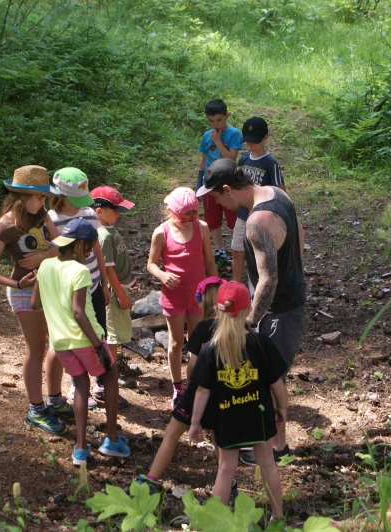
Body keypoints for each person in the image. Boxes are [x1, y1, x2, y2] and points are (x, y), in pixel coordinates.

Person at [196, 159, 306, 466]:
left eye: (217, 197)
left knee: (270, 378)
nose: (219, 204)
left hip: (278, 311)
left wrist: (250, 323)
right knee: (271, 376)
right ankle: (272, 445)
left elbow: (268, 279)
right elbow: (300, 233)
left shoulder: (258, 222)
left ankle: (276, 449)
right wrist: (293, 269)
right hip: (289, 301)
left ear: (228, 189)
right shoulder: (277, 193)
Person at [0, 165, 69, 436]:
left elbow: (63, 244)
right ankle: (36, 410)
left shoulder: (40, 215)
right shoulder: (5, 226)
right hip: (24, 292)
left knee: (59, 343)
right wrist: (17, 284)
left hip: (50, 286)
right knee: (36, 349)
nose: (43, 202)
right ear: (23, 196)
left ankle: (55, 400)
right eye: (39, 197)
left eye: (44, 197)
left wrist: (45, 255)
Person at [31, 218, 130, 465]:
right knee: (110, 375)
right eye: (89, 247)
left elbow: (34, 303)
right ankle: (112, 440)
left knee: (80, 385)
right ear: (79, 245)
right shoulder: (79, 271)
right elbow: (78, 312)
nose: (90, 253)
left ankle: (80, 448)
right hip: (85, 338)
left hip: (61, 342)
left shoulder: (45, 266)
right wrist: (98, 345)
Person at [188, 282, 288, 519]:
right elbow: (277, 384)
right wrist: (282, 408)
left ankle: (217, 522)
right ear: (248, 310)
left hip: (226, 418)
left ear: (217, 310)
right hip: (258, 416)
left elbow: (202, 391)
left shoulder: (210, 349)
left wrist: (195, 423)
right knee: (267, 465)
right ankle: (278, 518)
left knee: (225, 469)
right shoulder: (262, 344)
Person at [136, 277, 228, 494]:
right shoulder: (234, 328)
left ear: (203, 303)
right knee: (219, 440)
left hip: (198, 390)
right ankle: (228, 484)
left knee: (171, 433)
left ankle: (152, 479)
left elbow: (193, 365)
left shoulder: (203, 327)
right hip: (223, 391)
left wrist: (189, 385)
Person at [48, 168, 128, 409]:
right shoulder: (50, 220)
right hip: (69, 289)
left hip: (92, 285)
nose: (82, 205)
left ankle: (101, 382)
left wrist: (103, 284)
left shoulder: (89, 214)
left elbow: (97, 250)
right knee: (75, 336)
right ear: (62, 196)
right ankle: (77, 383)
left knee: (99, 331)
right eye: (77, 199)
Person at [147, 188, 218, 406]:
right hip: (174, 296)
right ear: (170, 211)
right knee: (176, 342)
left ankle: (194, 383)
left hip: (197, 296)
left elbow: (209, 261)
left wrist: (216, 288)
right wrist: (162, 275)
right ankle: (177, 387)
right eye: (182, 218)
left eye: (192, 217)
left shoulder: (201, 228)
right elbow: (151, 264)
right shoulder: (161, 233)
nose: (187, 222)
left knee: (196, 341)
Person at [90, 185, 138, 391]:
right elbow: (108, 269)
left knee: (115, 334)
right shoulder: (102, 235)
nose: (119, 213)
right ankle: (107, 374)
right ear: (99, 211)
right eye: (115, 209)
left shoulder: (109, 228)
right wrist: (120, 294)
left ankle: (111, 370)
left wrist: (128, 283)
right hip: (112, 292)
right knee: (112, 335)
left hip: (119, 288)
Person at [232, 117, 286, 282]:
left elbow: (280, 190)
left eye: (255, 141)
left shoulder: (270, 163)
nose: (251, 145)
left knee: (257, 254)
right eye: (248, 141)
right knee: (237, 250)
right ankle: (235, 284)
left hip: (261, 218)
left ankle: (255, 285)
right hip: (243, 214)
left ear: (265, 137)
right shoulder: (243, 159)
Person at [197, 99, 243, 267]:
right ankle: (219, 252)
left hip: (228, 182)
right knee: (212, 218)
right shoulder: (206, 136)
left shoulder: (234, 133)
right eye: (211, 120)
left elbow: (231, 158)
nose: (215, 124)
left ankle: (239, 248)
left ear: (227, 116)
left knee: (233, 217)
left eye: (219, 120)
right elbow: (203, 160)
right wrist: (199, 183)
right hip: (209, 184)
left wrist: (217, 141)